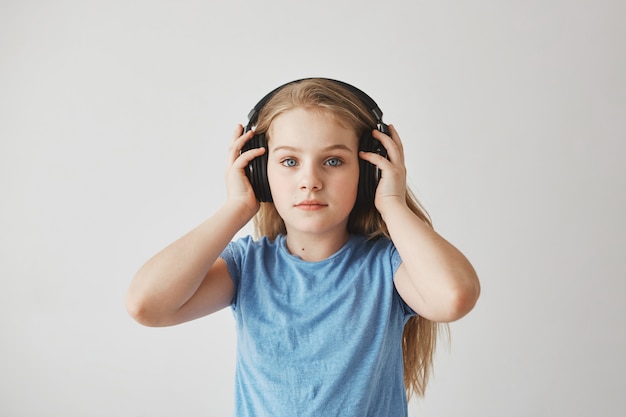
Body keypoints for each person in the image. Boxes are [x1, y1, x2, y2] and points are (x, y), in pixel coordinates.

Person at [126, 78, 480, 416]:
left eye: (333, 161)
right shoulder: (247, 267)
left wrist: (391, 202)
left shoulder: (387, 268)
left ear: (370, 169)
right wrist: (237, 208)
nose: (310, 181)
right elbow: (147, 305)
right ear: (260, 172)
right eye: (289, 162)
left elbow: (453, 297)